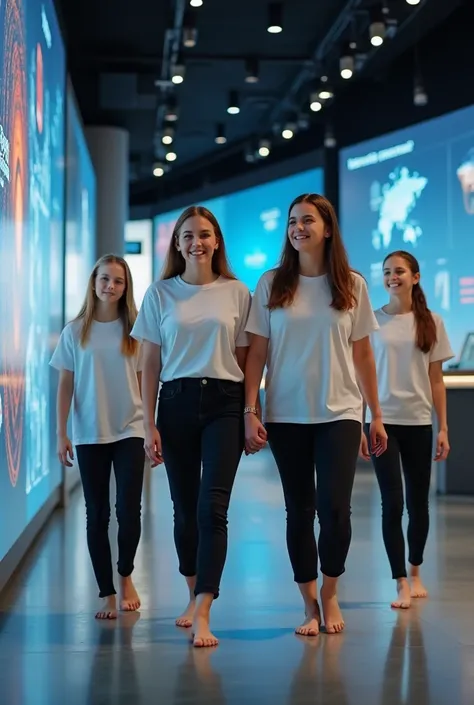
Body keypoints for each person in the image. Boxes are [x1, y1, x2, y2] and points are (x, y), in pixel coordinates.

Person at [244, 193, 387, 636]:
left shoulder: (352, 285)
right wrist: (251, 407)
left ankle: (330, 591)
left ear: (327, 228)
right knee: (298, 510)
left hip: (340, 412)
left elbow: (362, 354)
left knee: (336, 509)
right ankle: (308, 604)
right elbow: (257, 352)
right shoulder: (271, 284)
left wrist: (375, 414)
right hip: (287, 414)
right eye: (292, 221)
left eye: (307, 220)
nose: (298, 227)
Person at [131, 205, 251, 648]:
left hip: (224, 402)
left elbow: (244, 359)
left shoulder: (237, 293)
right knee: (184, 511)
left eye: (204, 234)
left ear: (216, 240)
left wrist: (247, 411)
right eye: (187, 236)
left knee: (211, 509)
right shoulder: (160, 294)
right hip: (175, 404)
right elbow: (148, 363)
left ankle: (204, 608)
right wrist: (148, 425)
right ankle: (190, 592)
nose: (196, 242)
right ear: (177, 244)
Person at [50, 254, 145, 620]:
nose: (110, 286)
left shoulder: (135, 329)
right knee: (97, 515)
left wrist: (151, 426)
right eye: (104, 279)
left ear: (126, 287)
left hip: (130, 430)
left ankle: (125, 575)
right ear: (93, 283)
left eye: (118, 281)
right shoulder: (75, 332)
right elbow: (65, 386)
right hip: (89, 433)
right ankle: (106, 593)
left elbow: (142, 382)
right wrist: (62, 433)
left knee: (128, 511)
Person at [360, 250, 454, 609]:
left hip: (418, 423)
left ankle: (415, 571)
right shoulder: (371, 321)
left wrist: (443, 428)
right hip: (382, 423)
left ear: (415, 276)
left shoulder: (432, 322)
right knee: (392, 503)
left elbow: (437, 381)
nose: (391, 277)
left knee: (418, 504)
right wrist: (362, 423)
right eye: (386, 272)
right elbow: (361, 377)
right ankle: (399, 580)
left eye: (398, 271)